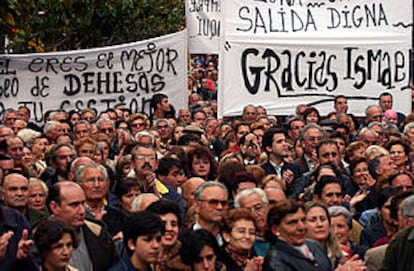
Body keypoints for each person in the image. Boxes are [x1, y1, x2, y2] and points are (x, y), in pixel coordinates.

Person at [263, 199, 332, 271]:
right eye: (292, 223)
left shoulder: (315, 246)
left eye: (303, 220)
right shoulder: (275, 261)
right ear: (275, 229)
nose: (301, 227)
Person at [146, 200, 189, 271]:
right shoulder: (141, 257)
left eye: (173, 224)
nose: (169, 229)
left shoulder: (186, 259)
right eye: (163, 224)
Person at [304, 201, 346, 268]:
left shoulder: (342, 252)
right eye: (313, 220)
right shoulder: (297, 256)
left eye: (323, 219)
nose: (320, 224)